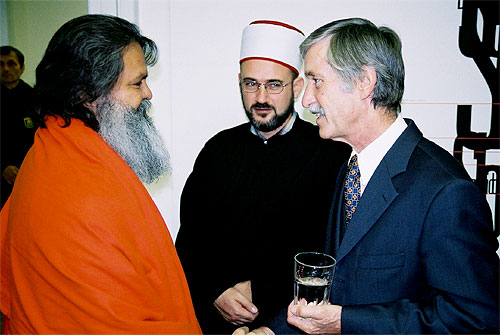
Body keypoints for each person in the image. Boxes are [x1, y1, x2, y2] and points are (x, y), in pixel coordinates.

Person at [237, 17, 500, 335]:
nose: (306, 100)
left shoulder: (445, 191)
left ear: (364, 82)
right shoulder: (350, 170)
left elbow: (475, 320)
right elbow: (338, 286)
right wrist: (273, 332)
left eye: (317, 81)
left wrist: (344, 323)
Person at [0, 14, 201, 334]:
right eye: (137, 82)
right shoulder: (80, 191)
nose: (148, 94)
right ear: (87, 94)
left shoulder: (56, 147)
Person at [175, 20, 350, 334]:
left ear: (296, 87)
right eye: (251, 84)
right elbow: (190, 239)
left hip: (289, 322)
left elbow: (330, 250)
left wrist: (261, 289)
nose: (261, 97)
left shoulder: (329, 153)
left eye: (274, 85)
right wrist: (215, 290)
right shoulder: (217, 149)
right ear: (239, 83)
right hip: (214, 317)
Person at [0, 45, 36, 207]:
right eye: (1, 64)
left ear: (22, 68)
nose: (6, 69)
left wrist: (26, 168)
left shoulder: (36, 99)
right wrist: (3, 166)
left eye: (11, 63)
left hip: (29, 174)